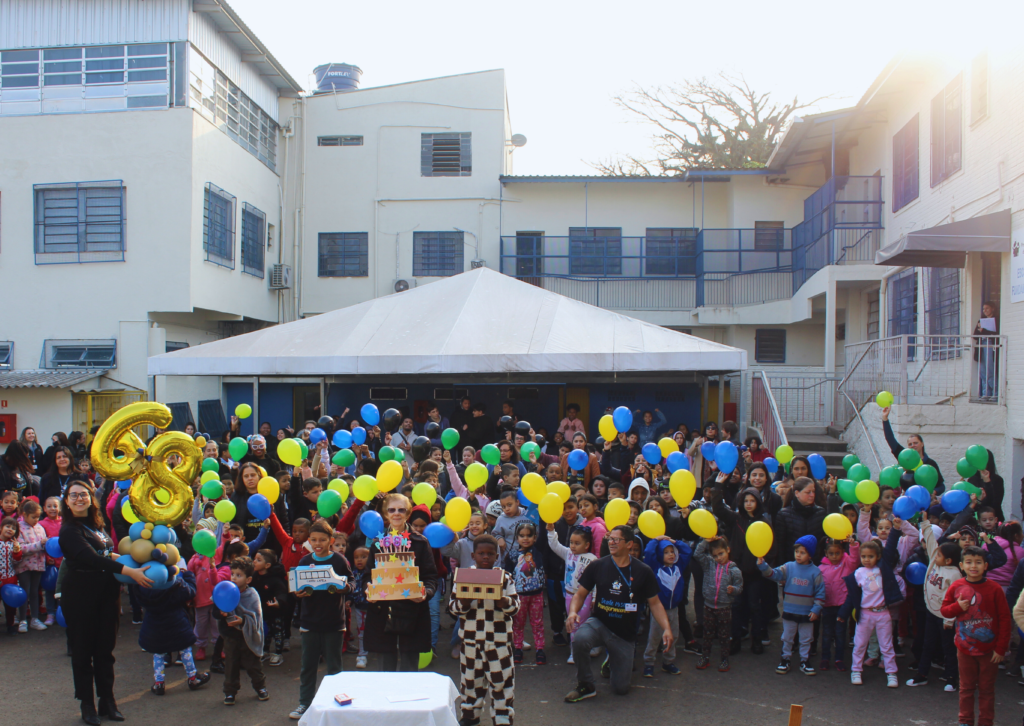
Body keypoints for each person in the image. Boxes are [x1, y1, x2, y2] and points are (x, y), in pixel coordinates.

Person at [60, 480, 153, 725]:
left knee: (105, 650)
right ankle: (87, 705)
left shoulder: (96, 525)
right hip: (80, 595)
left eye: (84, 494)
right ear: (67, 502)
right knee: (83, 652)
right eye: (74, 495)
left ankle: (107, 701)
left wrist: (132, 558)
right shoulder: (69, 530)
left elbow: (104, 553)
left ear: (91, 498)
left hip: (106, 594)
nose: (80, 498)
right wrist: (131, 572)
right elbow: (92, 559)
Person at [564, 525, 673, 702]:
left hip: (625, 635)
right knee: (580, 639)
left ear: (629, 544)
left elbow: (655, 603)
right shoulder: (598, 565)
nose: (611, 542)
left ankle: (612, 658)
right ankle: (586, 684)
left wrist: (666, 629)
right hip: (600, 623)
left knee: (620, 689)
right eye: (610, 539)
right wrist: (572, 612)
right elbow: (580, 594)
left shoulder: (643, 571)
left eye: (617, 539)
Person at [362, 492, 438, 671]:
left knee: (409, 668)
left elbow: (430, 577)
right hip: (383, 610)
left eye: (401, 510)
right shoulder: (377, 544)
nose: (396, 513)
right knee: (385, 668)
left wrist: (425, 593)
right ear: (385, 513)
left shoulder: (420, 542)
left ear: (408, 512)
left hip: (411, 610)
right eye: (392, 509)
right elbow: (367, 576)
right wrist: (368, 591)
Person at [449, 533, 519, 726]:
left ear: (497, 556)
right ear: (473, 556)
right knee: (470, 683)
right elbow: (453, 608)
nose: (485, 557)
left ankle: (503, 718)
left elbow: (515, 607)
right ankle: (470, 716)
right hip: (471, 642)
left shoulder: (505, 578)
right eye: (481, 553)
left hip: (499, 643)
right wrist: (463, 601)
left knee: (502, 683)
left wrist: (502, 600)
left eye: (490, 554)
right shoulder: (463, 577)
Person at [288, 520, 352, 720]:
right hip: (309, 622)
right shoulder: (304, 561)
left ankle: (337, 703)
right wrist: (297, 594)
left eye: (323, 540)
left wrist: (343, 587)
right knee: (308, 666)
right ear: (309, 541)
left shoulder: (340, 561)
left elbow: (351, 583)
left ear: (330, 541)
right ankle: (305, 704)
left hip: (334, 622)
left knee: (334, 666)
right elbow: (295, 588)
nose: (318, 543)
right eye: (314, 539)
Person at [941, 545, 1010, 726]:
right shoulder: (956, 586)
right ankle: (965, 721)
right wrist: (957, 607)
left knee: (987, 689)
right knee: (966, 688)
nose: (974, 566)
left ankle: (986, 722)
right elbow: (945, 611)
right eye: (969, 562)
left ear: (985, 565)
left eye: (978, 562)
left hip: (990, 650)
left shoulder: (994, 589)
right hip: (964, 648)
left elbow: (1005, 619)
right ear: (962, 565)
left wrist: (1001, 648)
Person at [711, 475, 772, 655]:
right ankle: (735, 639)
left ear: (758, 503)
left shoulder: (764, 522)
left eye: (752, 500)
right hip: (736, 572)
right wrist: (718, 486)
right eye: (746, 500)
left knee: (754, 606)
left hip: (755, 573)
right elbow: (719, 508)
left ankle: (757, 640)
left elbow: (769, 545)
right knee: (736, 607)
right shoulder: (736, 518)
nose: (749, 504)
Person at [838, 534, 905, 688]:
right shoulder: (858, 573)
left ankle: (891, 673)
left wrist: (895, 530)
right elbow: (852, 596)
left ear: (878, 557)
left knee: (886, 645)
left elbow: (890, 548)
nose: (867, 559)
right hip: (865, 614)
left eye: (871, 556)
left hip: (883, 613)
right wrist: (843, 613)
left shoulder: (884, 569)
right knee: (860, 644)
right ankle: (856, 670)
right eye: (864, 556)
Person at [135, 567, 211, 695]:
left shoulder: (144, 587)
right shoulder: (174, 585)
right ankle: (193, 678)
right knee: (185, 649)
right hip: (177, 624)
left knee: (158, 653)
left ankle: (159, 683)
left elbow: (136, 593)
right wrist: (188, 575)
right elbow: (190, 592)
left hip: (154, 626)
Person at [757, 534, 826, 676]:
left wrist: (816, 609)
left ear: (810, 555)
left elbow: (820, 593)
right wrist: (763, 566)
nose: (798, 555)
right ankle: (785, 659)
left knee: (806, 638)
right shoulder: (788, 567)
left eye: (802, 552)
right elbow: (774, 574)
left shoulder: (816, 572)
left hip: (807, 612)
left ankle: (804, 660)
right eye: (796, 552)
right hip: (789, 611)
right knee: (787, 637)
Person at [906, 519, 961, 690]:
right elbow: (931, 542)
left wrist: (949, 620)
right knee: (927, 644)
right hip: (930, 612)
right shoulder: (934, 563)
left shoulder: (955, 576)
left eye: (939, 555)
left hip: (945, 618)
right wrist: (925, 523)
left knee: (949, 648)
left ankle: (952, 678)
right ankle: (922, 674)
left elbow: (955, 601)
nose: (934, 555)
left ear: (948, 561)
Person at [216, 556, 269, 706]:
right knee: (231, 666)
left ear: (248, 580)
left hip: (247, 637)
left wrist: (243, 621)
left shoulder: (251, 595)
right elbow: (215, 611)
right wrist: (221, 613)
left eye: (239, 575)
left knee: (253, 665)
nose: (234, 578)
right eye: (232, 574)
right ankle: (230, 692)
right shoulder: (224, 590)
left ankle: (261, 688)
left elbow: (256, 617)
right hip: (231, 637)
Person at [546, 517, 595, 663]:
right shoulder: (568, 554)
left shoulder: (592, 559)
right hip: (569, 595)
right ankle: (574, 653)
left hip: (586, 597)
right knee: (572, 623)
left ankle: (585, 649)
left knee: (583, 624)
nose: (573, 546)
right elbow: (555, 545)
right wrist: (551, 531)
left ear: (587, 545)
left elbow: (597, 580)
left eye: (577, 543)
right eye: (571, 543)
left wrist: (594, 597)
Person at [642, 534, 692, 676]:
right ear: (659, 554)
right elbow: (648, 552)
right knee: (654, 637)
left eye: (672, 551)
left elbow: (688, 551)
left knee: (673, 636)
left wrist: (675, 542)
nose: (670, 555)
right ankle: (649, 663)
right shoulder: (655, 567)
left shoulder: (679, 566)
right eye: (666, 552)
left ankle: (668, 662)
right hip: (659, 610)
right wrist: (656, 540)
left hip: (674, 609)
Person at [693, 536, 742, 671]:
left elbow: (739, 587)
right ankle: (705, 657)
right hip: (708, 606)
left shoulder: (734, 570)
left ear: (728, 550)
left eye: (721, 554)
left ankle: (725, 659)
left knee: (724, 635)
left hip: (724, 607)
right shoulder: (709, 564)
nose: (719, 558)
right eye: (715, 555)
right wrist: (706, 541)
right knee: (707, 634)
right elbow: (697, 554)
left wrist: (734, 590)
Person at [187, 524, 230, 661]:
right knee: (200, 624)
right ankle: (201, 646)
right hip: (200, 598)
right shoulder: (193, 560)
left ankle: (219, 646)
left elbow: (224, 546)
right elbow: (189, 578)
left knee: (216, 624)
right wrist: (190, 597)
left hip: (215, 597)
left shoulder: (215, 554)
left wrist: (225, 534)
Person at [817, 536, 859, 672]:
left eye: (837, 553)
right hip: (827, 606)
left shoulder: (846, 563)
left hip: (842, 606)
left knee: (841, 633)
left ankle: (839, 659)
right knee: (827, 633)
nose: (834, 556)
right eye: (831, 554)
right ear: (826, 553)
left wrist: (853, 546)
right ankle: (825, 658)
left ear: (842, 552)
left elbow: (854, 560)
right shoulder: (821, 568)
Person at [880, 406, 945, 494]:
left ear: (922, 444)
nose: (913, 445)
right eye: (910, 444)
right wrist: (885, 419)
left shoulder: (930, 463)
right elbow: (890, 440)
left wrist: (933, 492)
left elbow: (941, 486)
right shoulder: (905, 458)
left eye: (915, 443)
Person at [251, 549, 288, 667]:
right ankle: (265, 651)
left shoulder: (275, 579)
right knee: (264, 631)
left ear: (267, 565)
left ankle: (278, 653)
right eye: (255, 559)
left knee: (277, 631)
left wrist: (279, 602)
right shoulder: (254, 576)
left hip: (275, 611)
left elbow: (282, 592)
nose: (254, 562)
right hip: (262, 611)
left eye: (258, 560)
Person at [14, 499, 47, 632]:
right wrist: (40, 545)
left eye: (38, 517)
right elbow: (21, 548)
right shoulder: (19, 528)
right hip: (24, 566)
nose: (36, 520)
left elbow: (44, 545)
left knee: (34, 592)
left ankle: (35, 618)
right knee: (24, 592)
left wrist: (46, 549)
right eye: (33, 517)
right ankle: (22, 620)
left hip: (38, 565)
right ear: (24, 514)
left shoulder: (40, 527)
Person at [967, 449, 1004, 522]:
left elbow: (995, 503)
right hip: (976, 520)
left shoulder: (997, 480)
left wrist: (987, 482)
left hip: (994, 519)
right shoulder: (972, 479)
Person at [973, 301, 999, 400]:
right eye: (983, 309)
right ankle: (986, 393)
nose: (985, 311)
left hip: (990, 345)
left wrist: (984, 331)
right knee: (983, 370)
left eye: (987, 308)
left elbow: (997, 333)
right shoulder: (981, 320)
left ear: (992, 308)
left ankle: (995, 393)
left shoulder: (996, 320)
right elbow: (975, 335)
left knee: (990, 369)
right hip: (981, 345)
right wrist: (980, 331)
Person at [1, 515, 23, 634]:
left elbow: (17, 560)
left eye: (13, 528)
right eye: (7, 526)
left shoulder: (13, 544)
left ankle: (10, 625)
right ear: (1, 528)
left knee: (10, 605)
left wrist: (16, 551)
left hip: (10, 579)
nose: (10, 529)